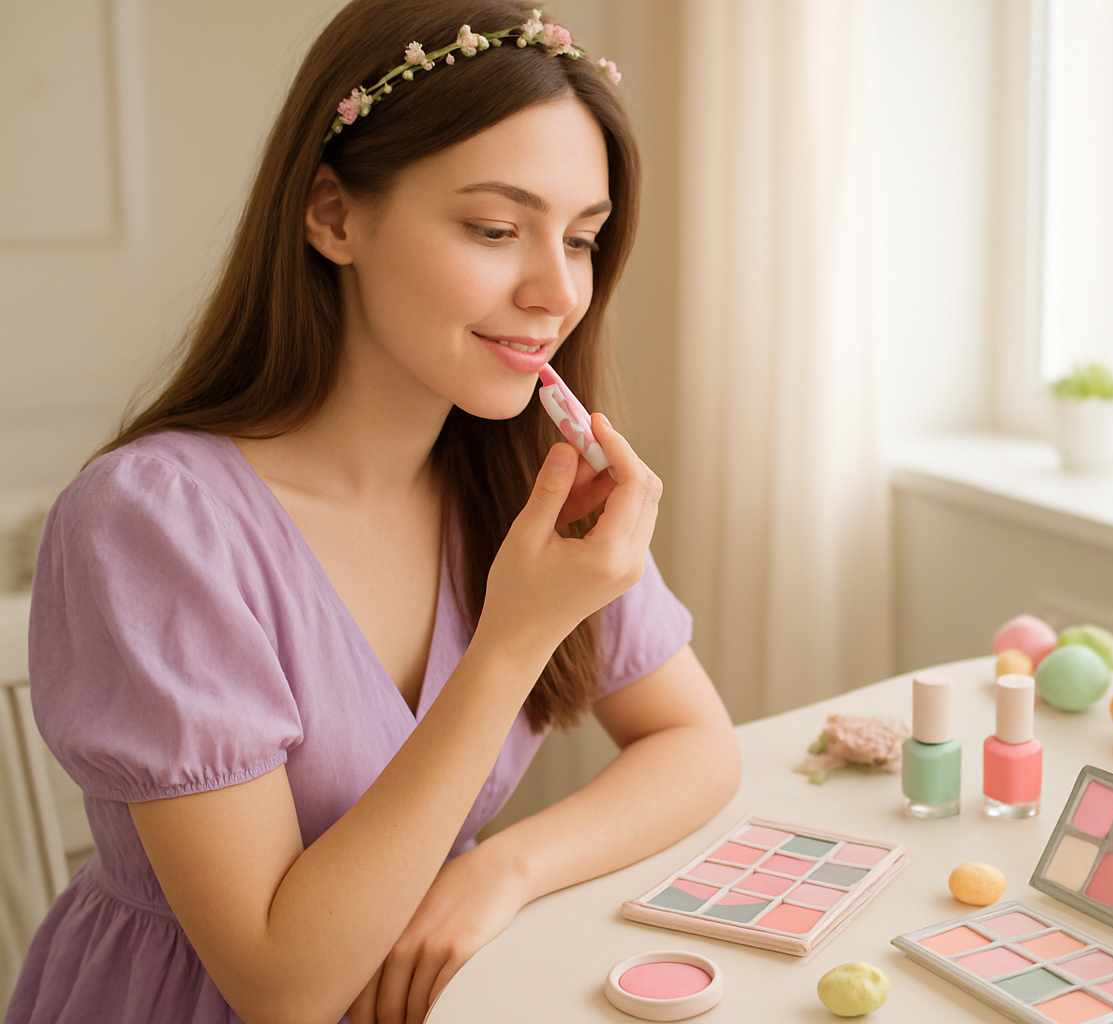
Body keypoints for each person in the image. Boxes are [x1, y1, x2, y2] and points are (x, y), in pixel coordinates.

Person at [6, 3, 740, 1022]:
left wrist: (501, 871)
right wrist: (514, 636)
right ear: (333, 215)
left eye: (582, 239)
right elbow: (280, 982)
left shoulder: (526, 477)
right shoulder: (153, 523)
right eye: (494, 229)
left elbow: (698, 745)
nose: (555, 291)